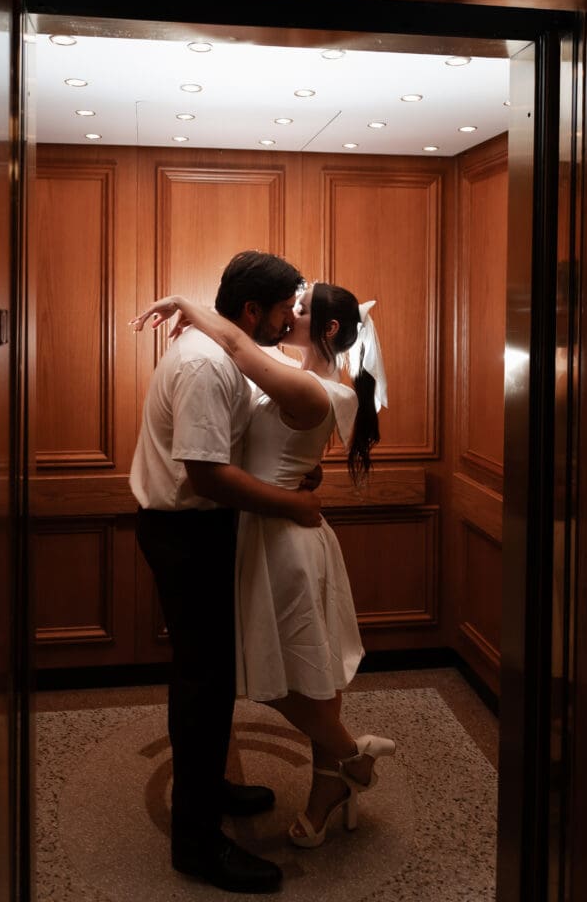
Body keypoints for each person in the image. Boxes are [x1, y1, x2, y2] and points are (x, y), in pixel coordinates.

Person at [133, 280, 396, 851]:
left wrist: (187, 303)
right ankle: (342, 770)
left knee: (288, 671)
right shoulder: (289, 371)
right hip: (260, 526)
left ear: (327, 329)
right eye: (287, 305)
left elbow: (234, 347)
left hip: (284, 537)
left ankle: (346, 763)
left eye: (300, 310)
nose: (289, 315)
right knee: (284, 667)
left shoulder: (314, 388)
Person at [128, 250, 324, 894]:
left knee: (210, 675)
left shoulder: (221, 345)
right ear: (250, 311)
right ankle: (196, 843)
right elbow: (205, 473)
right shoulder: (205, 364)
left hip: (203, 527)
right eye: (284, 310)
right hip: (186, 532)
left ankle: (209, 787)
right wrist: (295, 505)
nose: (289, 320)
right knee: (203, 683)